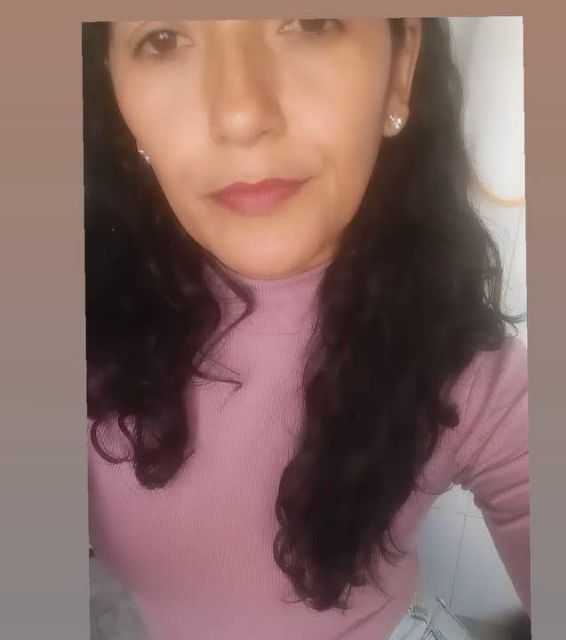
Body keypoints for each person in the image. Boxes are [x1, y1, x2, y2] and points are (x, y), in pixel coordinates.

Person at [83, 18, 529, 640]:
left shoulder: (467, 371)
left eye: (312, 22)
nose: (241, 114)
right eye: (162, 38)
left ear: (399, 69)